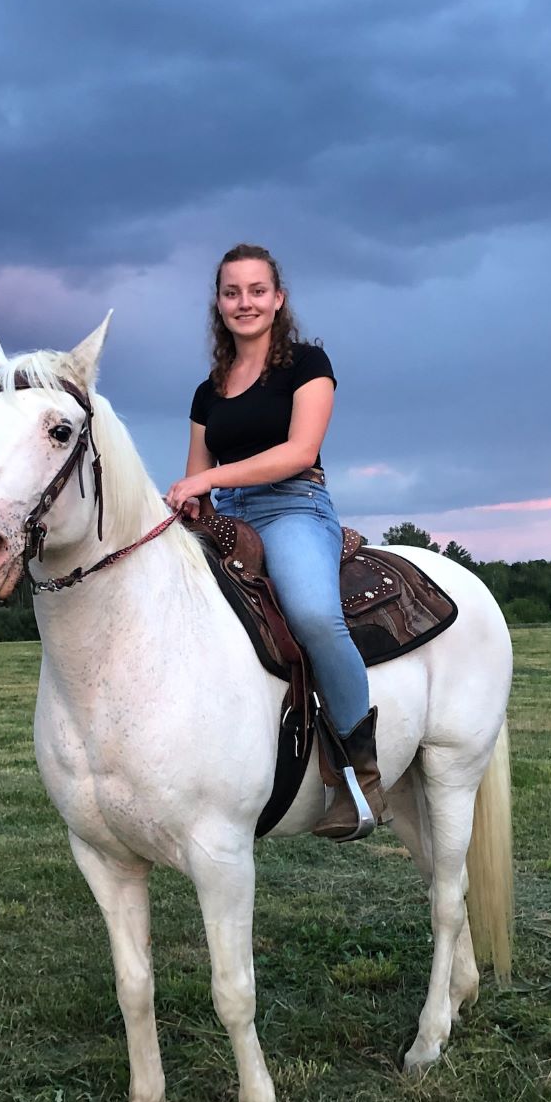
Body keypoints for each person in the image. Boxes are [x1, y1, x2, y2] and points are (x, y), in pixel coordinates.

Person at [164, 242, 386, 841]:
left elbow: (299, 451)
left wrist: (207, 477)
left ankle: (357, 776)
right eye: (232, 292)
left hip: (293, 505)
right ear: (218, 303)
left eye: (257, 291)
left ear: (278, 298)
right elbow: (197, 474)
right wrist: (190, 500)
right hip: (227, 514)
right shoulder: (208, 391)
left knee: (313, 616)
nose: (245, 302)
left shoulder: (306, 364)